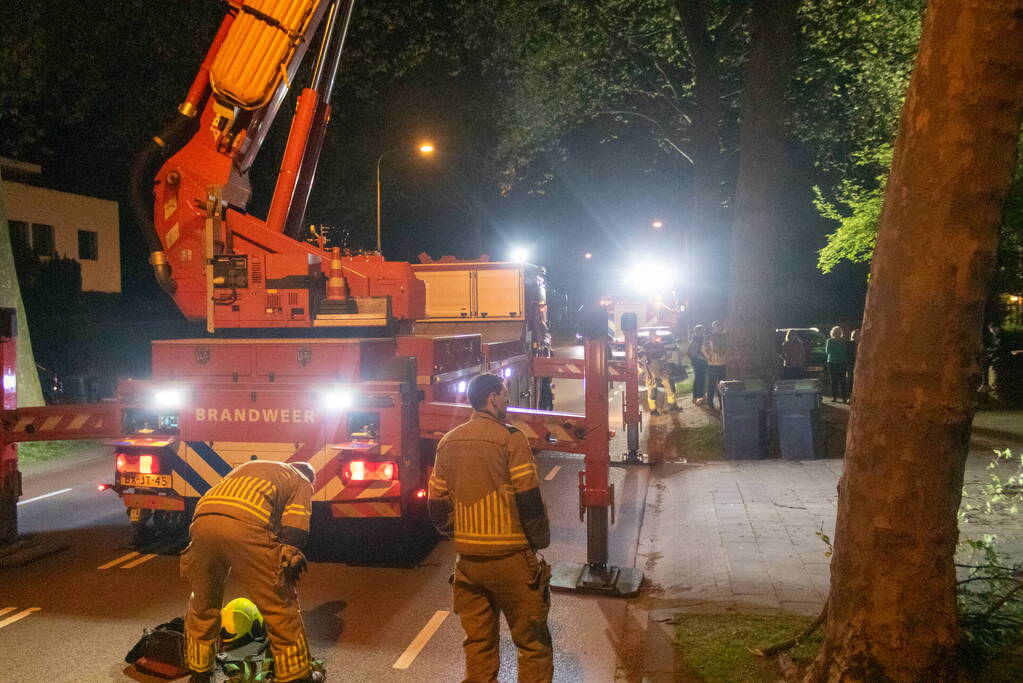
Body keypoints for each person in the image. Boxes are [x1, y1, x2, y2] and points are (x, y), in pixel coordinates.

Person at [428, 373, 553, 683]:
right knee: (532, 644)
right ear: (493, 398)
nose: (508, 400)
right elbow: (528, 497)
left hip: (468, 563)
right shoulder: (511, 439)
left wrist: (456, 533)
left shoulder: (447, 442)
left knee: (478, 643)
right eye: (505, 394)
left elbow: (436, 502)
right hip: (511, 559)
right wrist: (538, 542)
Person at [181, 460, 320, 683]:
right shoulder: (301, 480)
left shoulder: (257, 470)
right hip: (247, 526)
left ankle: (199, 674)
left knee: (203, 603)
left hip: (202, 521)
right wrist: (289, 554)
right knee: (279, 606)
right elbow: (295, 526)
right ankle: (296, 676)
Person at [643, 335, 679, 415]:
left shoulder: (660, 345)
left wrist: (666, 366)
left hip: (661, 365)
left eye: (655, 334)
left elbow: (665, 355)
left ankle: (672, 404)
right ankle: (653, 409)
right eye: (653, 334)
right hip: (651, 366)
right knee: (652, 388)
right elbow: (643, 359)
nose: (655, 336)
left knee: (669, 384)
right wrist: (647, 372)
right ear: (649, 337)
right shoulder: (646, 346)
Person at [702, 320, 727, 411]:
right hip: (712, 365)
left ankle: (722, 404)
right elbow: (704, 349)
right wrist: (708, 357)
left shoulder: (725, 337)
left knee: (723, 386)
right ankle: (710, 403)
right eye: (717, 327)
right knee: (711, 385)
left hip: (722, 365)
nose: (719, 328)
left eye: (720, 326)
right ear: (714, 328)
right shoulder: (709, 337)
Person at [825, 326, 850, 403]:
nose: (836, 333)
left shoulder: (832, 341)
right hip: (836, 363)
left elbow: (828, 351)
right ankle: (839, 397)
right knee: (838, 381)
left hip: (837, 362)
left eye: (838, 332)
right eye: (836, 332)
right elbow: (828, 351)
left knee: (839, 381)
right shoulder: (841, 341)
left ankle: (839, 397)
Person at [687, 325, 708, 405]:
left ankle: (699, 397)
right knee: (699, 380)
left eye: (703, 331)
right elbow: (692, 353)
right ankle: (699, 397)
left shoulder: (700, 340)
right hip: (698, 363)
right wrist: (704, 358)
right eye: (701, 331)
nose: (703, 333)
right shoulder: (695, 341)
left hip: (701, 363)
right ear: (697, 332)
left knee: (701, 380)